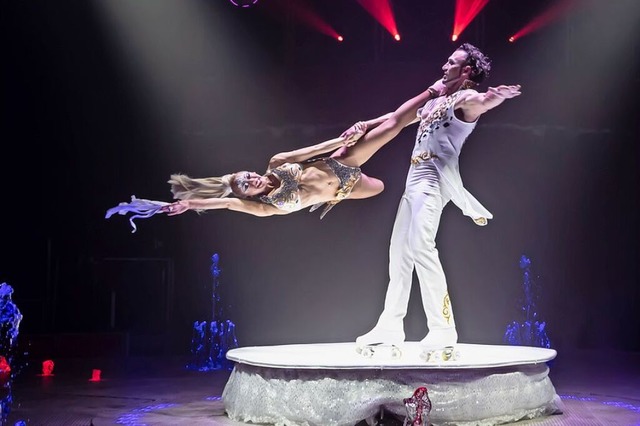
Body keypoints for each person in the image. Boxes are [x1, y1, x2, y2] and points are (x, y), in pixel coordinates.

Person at [343, 43, 521, 354]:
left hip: (433, 180)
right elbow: (398, 117)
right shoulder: (437, 100)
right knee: (399, 252)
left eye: (451, 62)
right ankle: (390, 325)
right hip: (413, 180)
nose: (444, 66)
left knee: (421, 246)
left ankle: (442, 328)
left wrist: (495, 97)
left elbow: (481, 101)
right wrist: (366, 124)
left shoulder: (464, 98)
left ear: (466, 70)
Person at [107, 79, 455, 230]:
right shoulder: (262, 208)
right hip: (344, 191)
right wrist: (190, 203)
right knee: (384, 189)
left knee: (392, 125)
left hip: (341, 161)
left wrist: (354, 131)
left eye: (247, 175)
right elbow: (226, 203)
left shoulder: (276, 162)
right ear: (248, 195)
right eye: (247, 186)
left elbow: (315, 149)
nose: (252, 179)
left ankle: (435, 91)